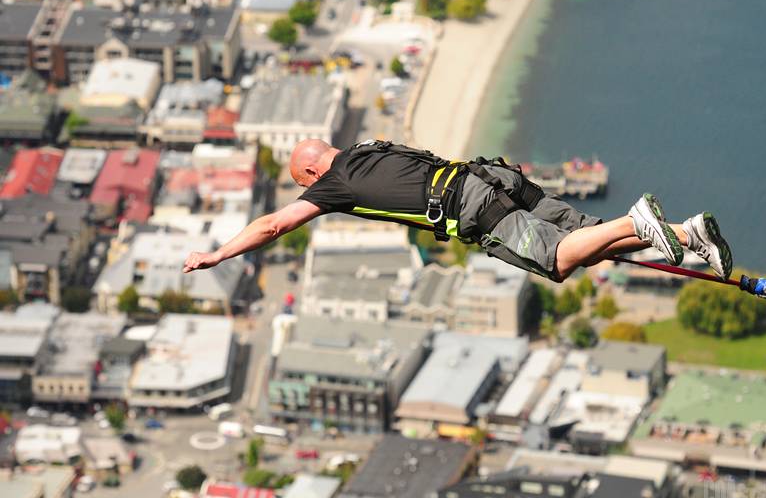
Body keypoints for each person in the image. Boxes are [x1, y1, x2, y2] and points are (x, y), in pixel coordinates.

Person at [183, 139, 732, 282]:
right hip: (491, 178)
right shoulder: (367, 149)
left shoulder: (334, 183)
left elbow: (273, 223)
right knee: (586, 243)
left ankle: (638, 221)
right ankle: (690, 233)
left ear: (309, 174)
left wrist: (219, 253)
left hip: (469, 206)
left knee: (560, 260)